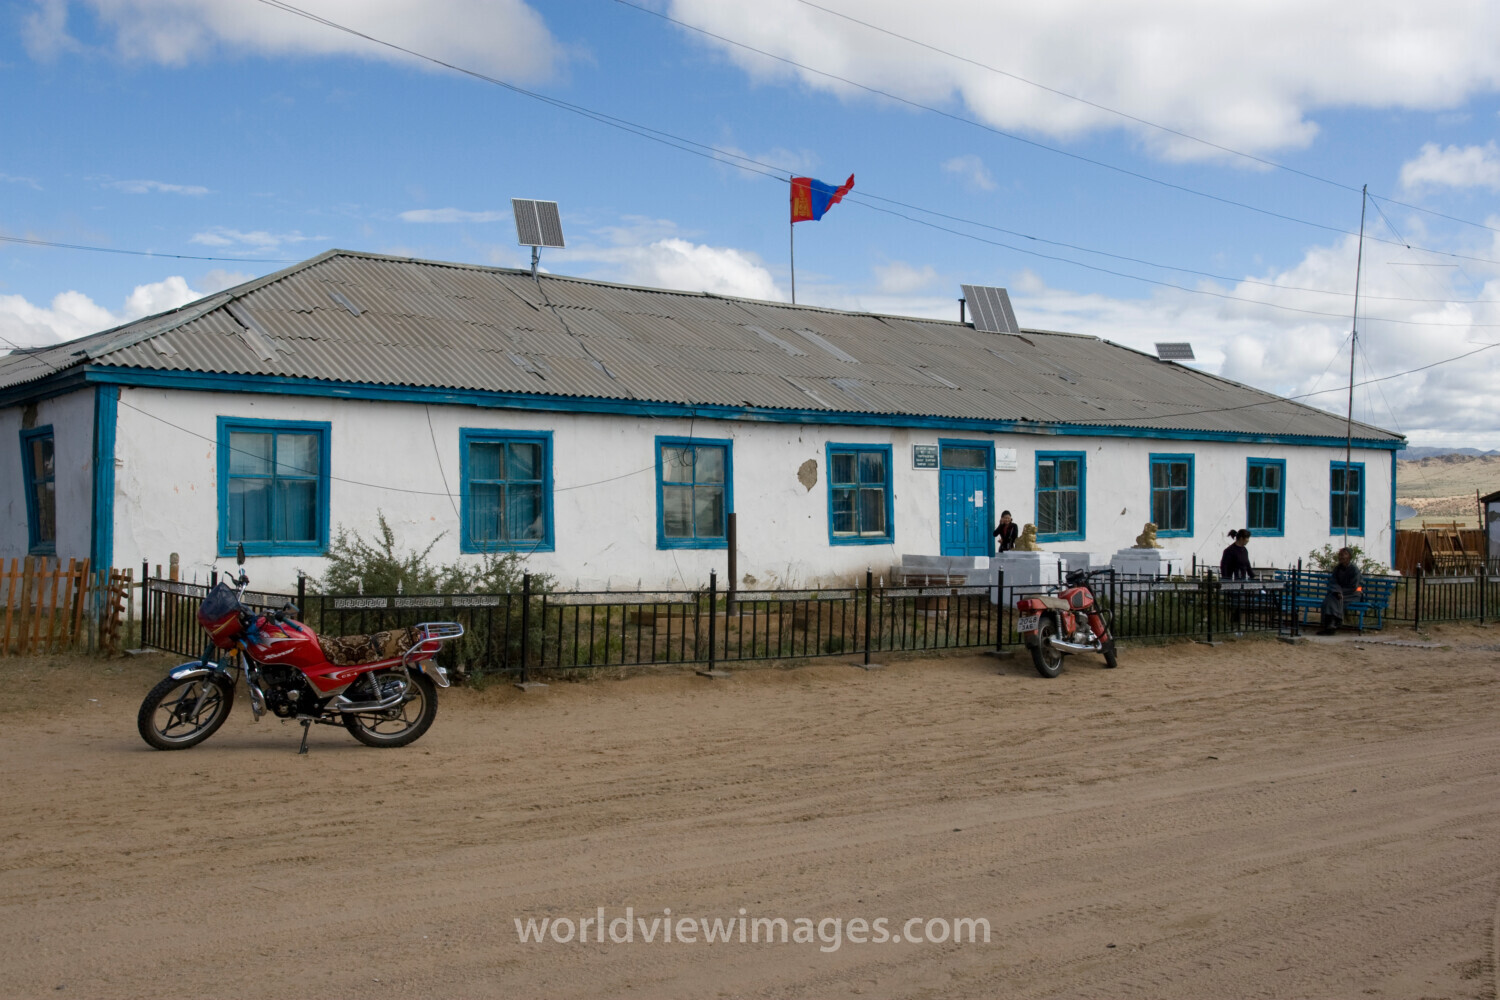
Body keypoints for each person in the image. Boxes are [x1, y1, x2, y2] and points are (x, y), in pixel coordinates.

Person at [1318, 547, 1362, 635]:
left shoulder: (1354, 569)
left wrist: (1341, 592)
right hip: (1338, 593)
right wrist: (1338, 591)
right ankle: (1329, 625)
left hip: (1353, 594)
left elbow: (1355, 586)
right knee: (1329, 599)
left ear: (1349, 557)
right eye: (1340, 555)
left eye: (1344, 555)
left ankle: (1333, 623)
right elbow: (1333, 582)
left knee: (1335, 599)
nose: (1341, 557)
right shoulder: (1337, 568)